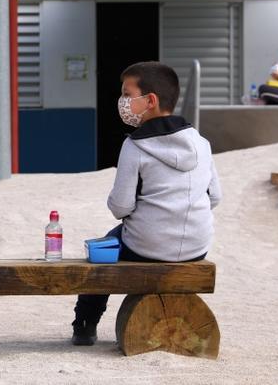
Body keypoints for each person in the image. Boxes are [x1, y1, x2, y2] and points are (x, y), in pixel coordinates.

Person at [71, 62, 222, 346]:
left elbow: (120, 207)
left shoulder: (135, 146)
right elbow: (215, 197)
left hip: (145, 248)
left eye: (128, 95)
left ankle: (84, 326)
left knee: (104, 249)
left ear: (150, 101)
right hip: (196, 248)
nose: (123, 102)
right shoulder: (201, 143)